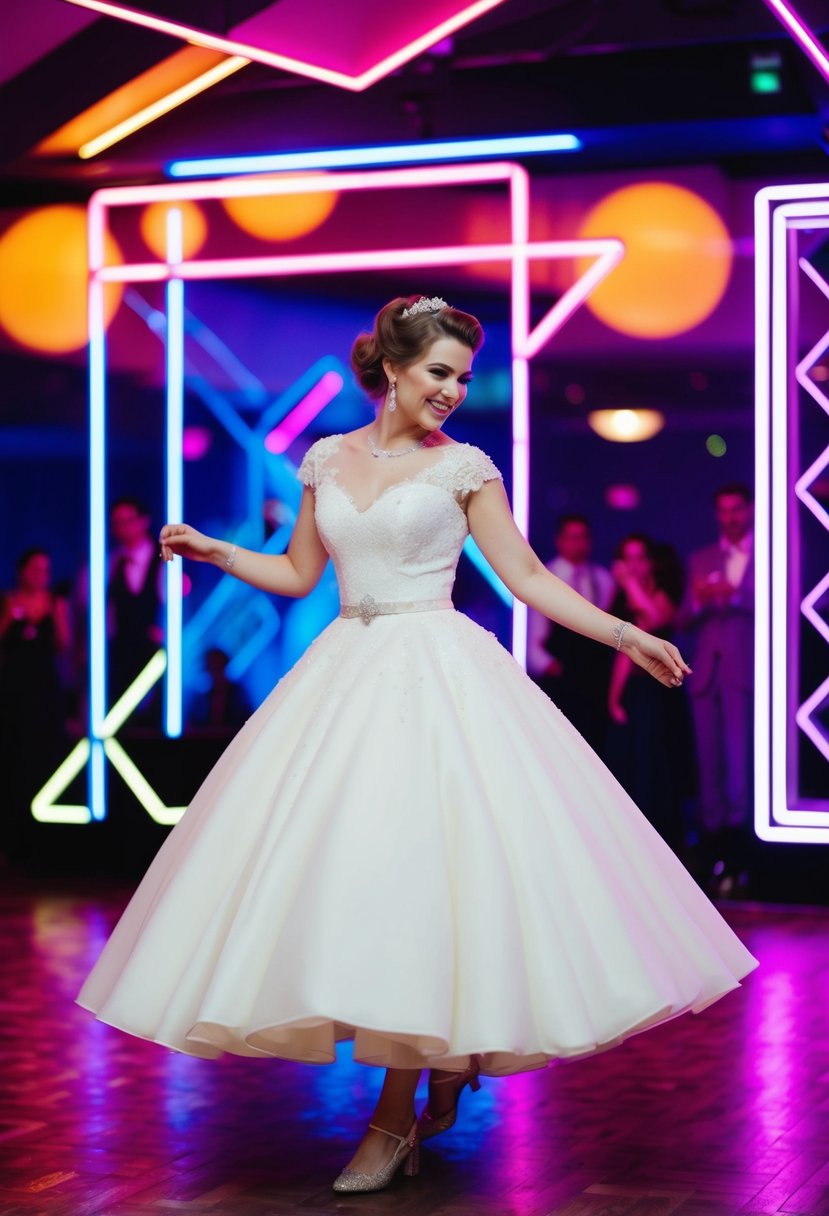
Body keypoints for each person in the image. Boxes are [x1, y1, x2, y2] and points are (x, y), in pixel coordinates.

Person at [77, 296, 757, 1195]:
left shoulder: (466, 468)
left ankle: (395, 1117)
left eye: (463, 377)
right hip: (344, 675)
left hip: (439, 675)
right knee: (362, 885)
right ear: (391, 371)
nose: (452, 390)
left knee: (432, 877)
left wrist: (623, 632)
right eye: (439, 372)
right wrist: (213, 551)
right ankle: (439, 1057)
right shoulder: (325, 458)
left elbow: (523, 577)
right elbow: (297, 574)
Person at [603, 534, 692, 851]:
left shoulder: (662, 589)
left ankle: (663, 842)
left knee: (659, 763)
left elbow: (654, 619)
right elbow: (623, 654)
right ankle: (630, 841)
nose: (633, 565)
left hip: (662, 690)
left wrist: (629, 583)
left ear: (651, 561)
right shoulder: (623, 594)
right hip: (635, 689)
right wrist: (613, 697)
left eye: (639, 557)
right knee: (631, 762)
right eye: (627, 559)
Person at [685, 484, 754, 891]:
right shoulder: (701, 558)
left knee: (739, 769)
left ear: (747, 511)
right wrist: (697, 600)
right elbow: (683, 617)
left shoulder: (766, 554)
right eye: (723, 511)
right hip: (707, 673)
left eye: (736, 510)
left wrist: (737, 593)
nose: (730, 518)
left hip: (745, 671)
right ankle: (713, 861)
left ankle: (740, 863)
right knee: (708, 768)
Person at [0, 549, 70, 864]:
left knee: (44, 761)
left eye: (45, 569)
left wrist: (55, 613)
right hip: (13, 693)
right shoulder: (8, 600)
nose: (40, 575)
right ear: (22, 570)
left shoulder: (55, 603)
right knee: (13, 765)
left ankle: (42, 847)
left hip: (44, 693)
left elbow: (64, 644)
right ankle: (11, 843)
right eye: (35, 569)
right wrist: (11, 616)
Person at [526, 514, 614, 750]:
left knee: (595, 746)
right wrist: (549, 666)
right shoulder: (546, 577)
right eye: (572, 537)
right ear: (559, 540)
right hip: (560, 676)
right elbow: (535, 631)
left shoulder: (602, 579)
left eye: (583, 537)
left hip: (594, 679)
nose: (578, 543)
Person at [107, 497, 164, 720]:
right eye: (117, 522)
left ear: (144, 521)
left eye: (128, 520)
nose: (123, 528)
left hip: (156, 653)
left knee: (155, 718)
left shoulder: (165, 558)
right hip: (120, 654)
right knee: (122, 719)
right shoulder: (110, 563)